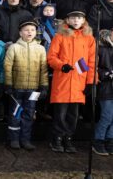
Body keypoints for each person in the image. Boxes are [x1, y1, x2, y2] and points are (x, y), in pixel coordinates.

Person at [48, 11, 96, 153]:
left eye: (79, 18)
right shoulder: (59, 36)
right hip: (62, 82)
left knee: (73, 115)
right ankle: (57, 138)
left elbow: (92, 62)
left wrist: (90, 82)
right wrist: (61, 65)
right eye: (73, 18)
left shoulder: (89, 38)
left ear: (84, 21)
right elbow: (51, 57)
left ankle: (68, 139)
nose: (76, 20)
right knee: (60, 114)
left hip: (78, 84)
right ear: (67, 20)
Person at [3, 21, 48, 150]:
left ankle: (25, 139)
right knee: (15, 114)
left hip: (33, 89)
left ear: (36, 32)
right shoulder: (14, 47)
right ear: (20, 32)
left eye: (32, 30)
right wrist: (8, 84)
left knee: (29, 114)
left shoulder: (40, 49)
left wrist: (44, 86)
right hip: (17, 88)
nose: (29, 32)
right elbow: (7, 66)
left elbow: (43, 69)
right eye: (26, 30)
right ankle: (14, 139)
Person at [92, 28, 113, 155]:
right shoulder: (100, 48)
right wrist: (106, 74)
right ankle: (98, 141)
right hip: (105, 87)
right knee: (107, 116)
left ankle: (109, 141)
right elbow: (93, 67)